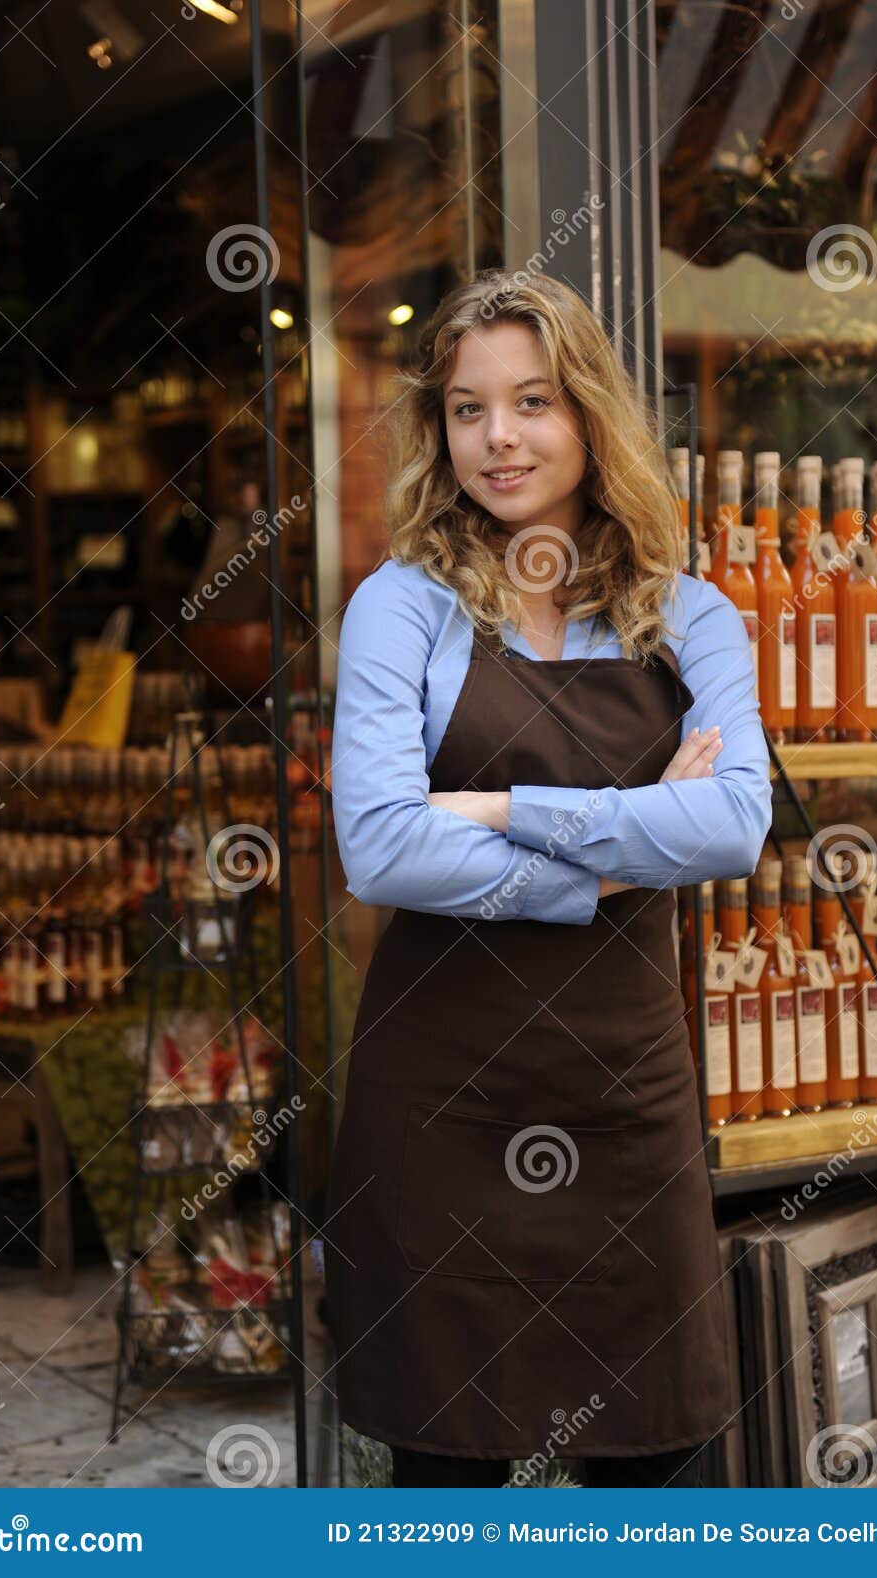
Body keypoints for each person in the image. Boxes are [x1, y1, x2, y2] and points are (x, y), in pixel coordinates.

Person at [324, 270, 771, 1488]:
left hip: (622, 1099)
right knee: (446, 1473)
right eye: (467, 409)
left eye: (530, 401)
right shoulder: (400, 607)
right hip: (442, 1102)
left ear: (589, 416)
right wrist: (616, 860)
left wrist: (504, 806)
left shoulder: (691, 616)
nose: (498, 437)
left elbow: (731, 824)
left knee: (660, 1460)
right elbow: (380, 847)